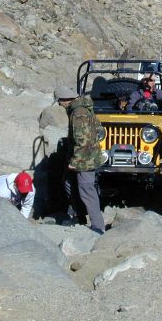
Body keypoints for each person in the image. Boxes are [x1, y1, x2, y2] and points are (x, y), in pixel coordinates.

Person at [54, 85, 105, 234]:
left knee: (87, 190)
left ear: (65, 100)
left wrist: (75, 161)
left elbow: (82, 141)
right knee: (69, 183)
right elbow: (99, 129)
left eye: (59, 101)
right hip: (85, 156)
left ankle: (98, 227)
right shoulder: (83, 109)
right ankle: (80, 217)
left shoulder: (78, 113)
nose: (59, 105)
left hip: (85, 160)